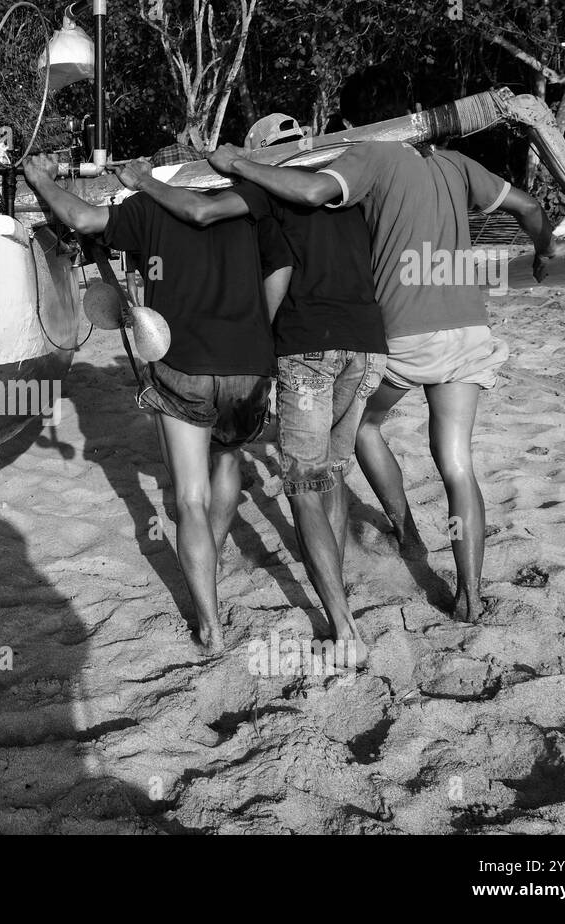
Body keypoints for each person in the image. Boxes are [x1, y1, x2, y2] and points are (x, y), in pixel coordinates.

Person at [208, 125, 554, 622]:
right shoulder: (455, 163)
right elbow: (529, 208)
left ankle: (407, 532)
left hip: (406, 332)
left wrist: (238, 163)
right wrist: (544, 249)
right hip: (469, 327)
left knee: (363, 424)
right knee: (457, 465)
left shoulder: (371, 154)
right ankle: (470, 596)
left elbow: (310, 190)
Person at [117, 113, 389, 661]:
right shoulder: (344, 191)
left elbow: (199, 210)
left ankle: (341, 621)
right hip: (366, 345)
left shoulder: (261, 196)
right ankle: (343, 575)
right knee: (330, 474)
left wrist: (144, 180)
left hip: (307, 349)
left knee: (304, 488)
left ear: (262, 156)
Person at [23, 148, 292, 652]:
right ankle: (209, 549)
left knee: (189, 498)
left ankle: (210, 625)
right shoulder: (252, 203)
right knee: (229, 456)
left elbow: (80, 217)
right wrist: (262, 328)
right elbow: (280, 269)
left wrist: (41, 181)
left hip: (183, 365)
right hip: (249, 364)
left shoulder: (148, 209)